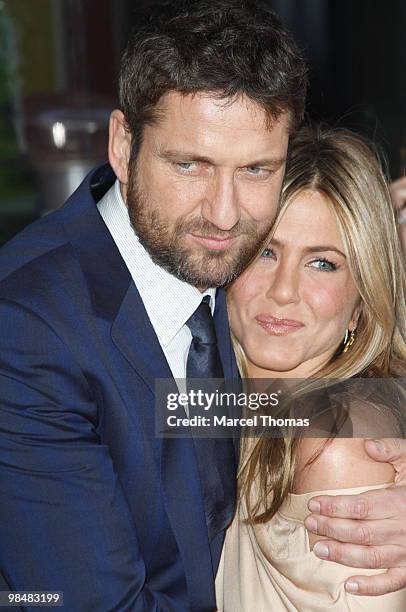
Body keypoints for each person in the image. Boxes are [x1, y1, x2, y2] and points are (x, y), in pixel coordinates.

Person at [0, 1, 406, 609]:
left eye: (256, 169)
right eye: (190, 165)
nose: (223, 213)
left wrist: (375, 457)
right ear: (122, 144)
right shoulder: (30, 330)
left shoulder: (214, 270)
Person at [216, 125, 406, 610]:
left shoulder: (337, 442)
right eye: (265, 251)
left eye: (322, 263)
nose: (283, 290)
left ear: (363, 299)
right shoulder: (217, 401)